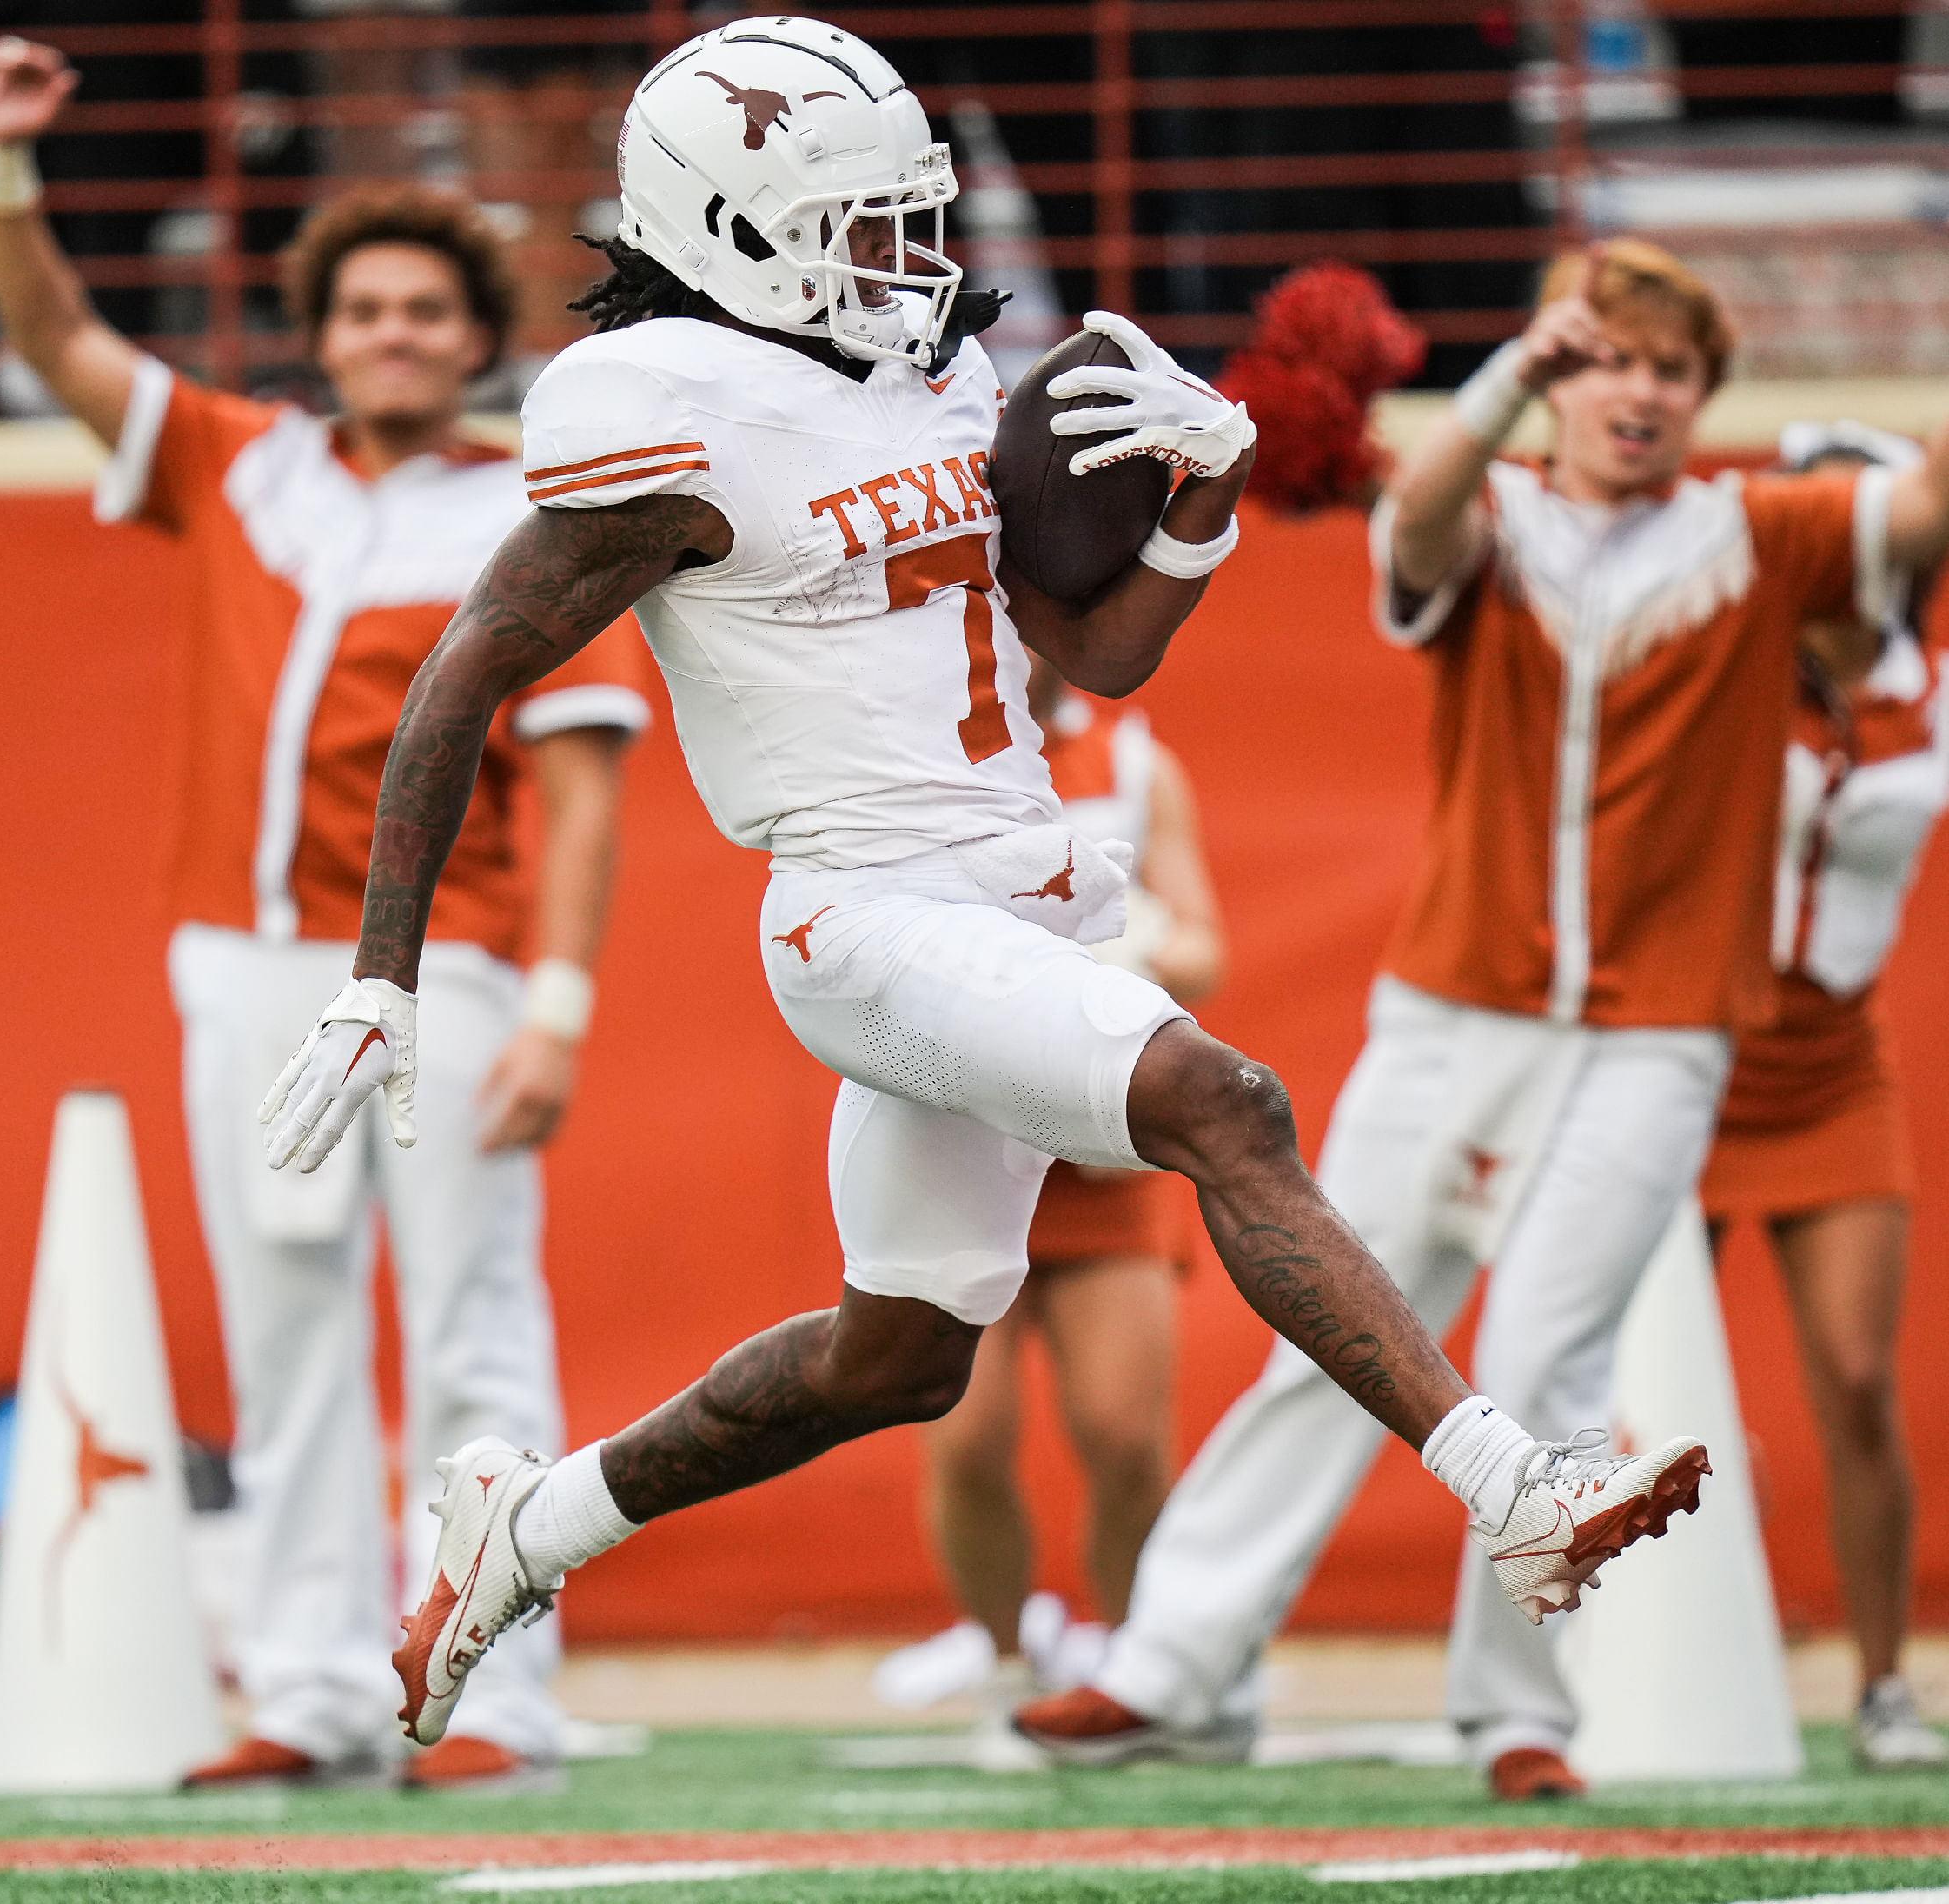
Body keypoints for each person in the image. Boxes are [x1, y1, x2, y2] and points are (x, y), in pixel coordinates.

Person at [255, 14, 1709, 1757]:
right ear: (727, 225)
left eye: (906, 212)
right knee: (1222, 1100)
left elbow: (1087, 656)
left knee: (901, 1358)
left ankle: (532, 1526)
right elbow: (466, 672)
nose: (905, 253)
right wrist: (381, 973)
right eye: (856, 219)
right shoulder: (660, 414)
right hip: (861, 913)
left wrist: (1205, 501)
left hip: (1017, 894)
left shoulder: (930, 373)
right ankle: (1515, 1488)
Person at [1020, 241, 1949, 1799]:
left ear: (1705, 397)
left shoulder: (1761, 531)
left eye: (1671, 368)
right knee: (1331, 1328)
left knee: (1549, 1357)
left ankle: (1518, 1710)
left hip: (1663, 1029)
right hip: (1458, 1004)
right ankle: (1173, 1663)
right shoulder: (1495, 516)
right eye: (1609, 360)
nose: (1638, 393)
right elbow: (1426, 514)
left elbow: (1917, 507)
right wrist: (1516, 365)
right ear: (1553, 382)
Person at [0, 40, 653, 1791]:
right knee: (283, 1335)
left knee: (476, 1324)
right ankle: (315, 1688)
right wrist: (1, 167)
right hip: (252, 966)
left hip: (461, 970)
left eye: (429, 308)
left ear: (475, 330)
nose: (397, 333)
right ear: (323, 327)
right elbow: (55, 340)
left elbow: (580, 778)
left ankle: (493, 1694)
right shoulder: (242, 464)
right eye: (367, 308)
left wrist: (567, 998)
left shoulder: (533, 508)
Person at [896, 673, 1225, 1758]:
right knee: (969, 1436)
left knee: (1126, 1435)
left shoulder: (1133, 763)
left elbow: (1203, 948)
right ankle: (1004, 1664)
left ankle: (1133, 1670)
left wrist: (1124, 954)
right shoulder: (912, 749)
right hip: (958, 1139)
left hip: (1099, 1147)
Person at [1700, 421, 1949, 1771]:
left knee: (1857, 1376)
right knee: (1631, 1384)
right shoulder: (1728, 660)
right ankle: (1587, 1664)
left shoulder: (1930, 674)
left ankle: (1882, 1684)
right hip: (1690, 1055)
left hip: (1836, 1065)